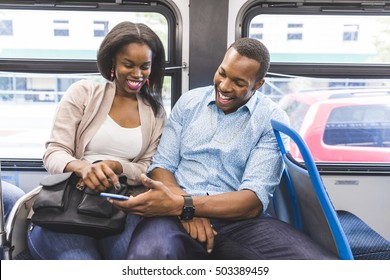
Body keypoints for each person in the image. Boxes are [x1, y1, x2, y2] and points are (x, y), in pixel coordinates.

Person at [110, 37, 338, 260]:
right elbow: (162, 166)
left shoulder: (271, 119)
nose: (225, 86)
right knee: (148, 256)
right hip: (172, 215)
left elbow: (251, 201)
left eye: (239, 83)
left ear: (258, 84)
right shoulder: (189, 102)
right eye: (222, 73)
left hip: (239, 222)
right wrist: (184, 209)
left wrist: (187, 206)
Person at [27, 21, 166, 260]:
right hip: (66, 205)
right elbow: (54, 151)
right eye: (128, 64)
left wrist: (116, 166)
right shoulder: (83, 93)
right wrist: (83, 167)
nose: (137, 74)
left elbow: (146, 167)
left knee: (134, 258)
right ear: (113, 61)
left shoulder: (155, 113)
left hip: (120, 208)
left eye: (145, 66)